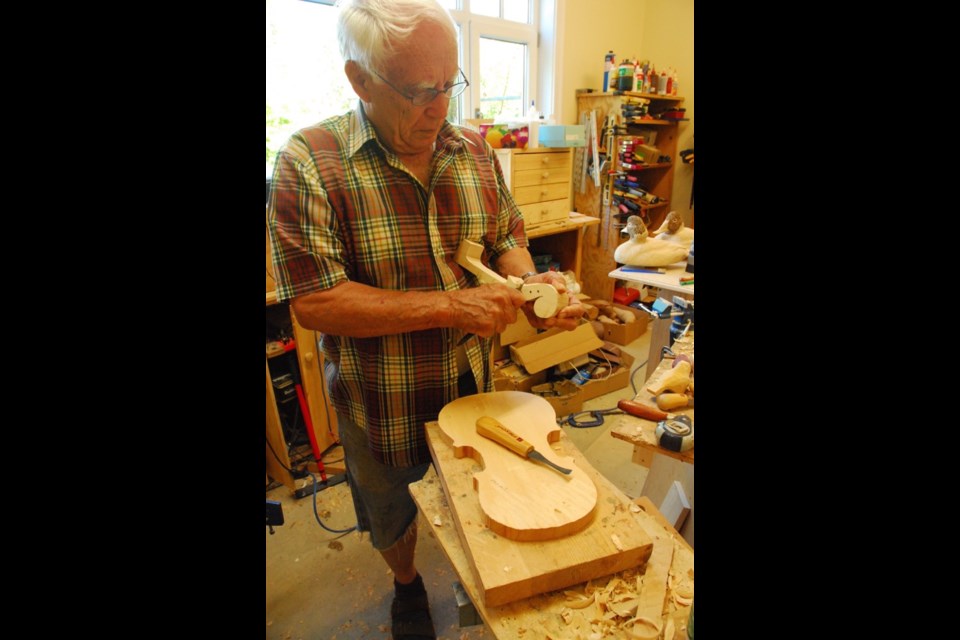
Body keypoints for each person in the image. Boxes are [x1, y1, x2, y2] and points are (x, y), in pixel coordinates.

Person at [266, 0, 583, 637]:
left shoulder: (470, 148)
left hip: (473, 386)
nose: (440, 109)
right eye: (418, 91)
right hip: (380, 397)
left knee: (482, 492)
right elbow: (316, 302)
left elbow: (504, 234)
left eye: (450, 85)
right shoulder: (309, 161)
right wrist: (450, 306)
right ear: (359, 80)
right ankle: (406, 584)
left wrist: (528, 284)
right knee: (390, 511)